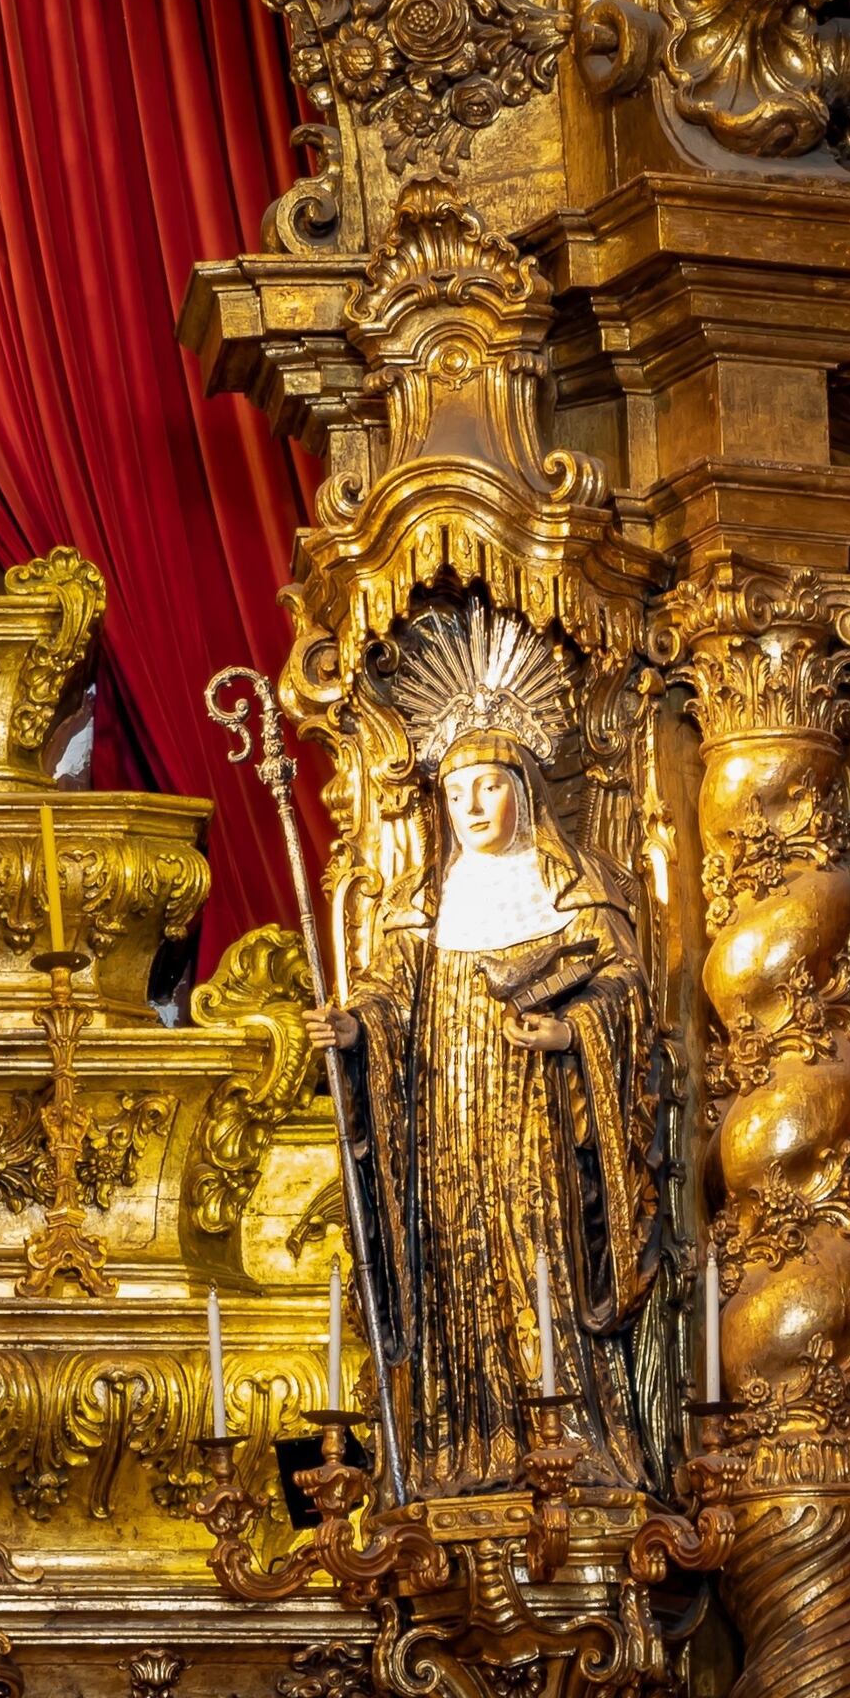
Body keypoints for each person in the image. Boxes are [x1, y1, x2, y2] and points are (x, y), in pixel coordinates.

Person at [323, 599, 670, 1494]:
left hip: (538, 1124)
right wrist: (358, 1028)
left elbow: (628, 996)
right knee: (454, 1266)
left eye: (490, 784)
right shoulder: (423, 900)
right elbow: (390, 991)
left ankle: (565, 1441)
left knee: (536, 1256)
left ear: (525, 783)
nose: (472, 805)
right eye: (455, 790)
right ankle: (462, 1446)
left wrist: (572, 1030)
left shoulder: (575, 883)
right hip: (444, 1123)